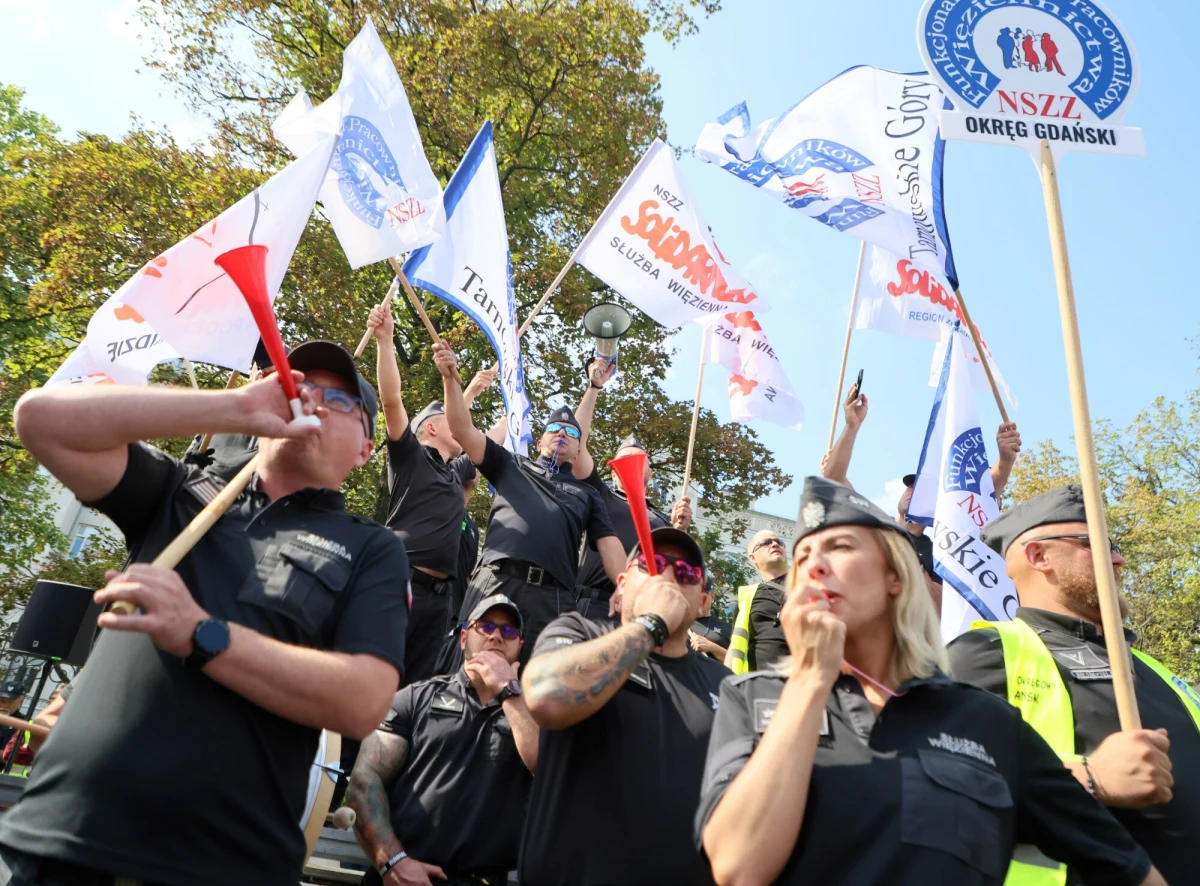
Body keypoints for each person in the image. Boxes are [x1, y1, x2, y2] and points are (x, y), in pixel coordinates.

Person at [4, 340, 410, 886]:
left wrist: (200, 634)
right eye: (297, 386)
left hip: (219, 863)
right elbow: (39, 418)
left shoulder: (373, 549)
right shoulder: (178, 492)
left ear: (366, 448)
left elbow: (363, 701)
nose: (310, 400)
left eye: (338, 399)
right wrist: (236, 407)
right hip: (60, 840)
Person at [696, 477, 1166, 886]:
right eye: (804, 558)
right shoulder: (752, 697)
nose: (814, 567)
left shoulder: (986, 720)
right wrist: (810, 680)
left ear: (895, 577)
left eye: (840, 547)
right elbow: (739, 868)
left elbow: (1127, 867)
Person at [949, 484, 1199, 886]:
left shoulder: (1154, 668)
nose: (1118, 559)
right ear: (1039, 556)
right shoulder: (987, 652)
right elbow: (938, 784)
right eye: (1094, 543)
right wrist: (1091, 776)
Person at [520, 526, 727, 886]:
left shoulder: (726, 686)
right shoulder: (578, 632)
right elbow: (545, 698)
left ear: (704, 603)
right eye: (651, 562)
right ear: (622, 584)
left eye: (687, 573)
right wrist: (652, 624)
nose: (667, 575)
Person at [434, 342, 626, 662]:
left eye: (570, 431)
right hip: (494, 581)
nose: (561, 433)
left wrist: (623, 585)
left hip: (551, 599)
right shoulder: (510, 463)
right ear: (540, 440)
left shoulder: (588, 494)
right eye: (553, 428)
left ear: (580, 451)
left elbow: (608, 545)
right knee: (467, 672)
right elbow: (461, 428)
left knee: (537, 686)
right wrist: (450, 380)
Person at [347, 595, 537, 886]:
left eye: (509, 632)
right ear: (463, 638)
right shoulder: (415, 697)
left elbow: (549, 769)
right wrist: (392, 861)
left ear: (520, 647)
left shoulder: (535, 715)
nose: (497, 636)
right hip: (399, 875)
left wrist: (507, 689)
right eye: (485, 627)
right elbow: (364, 780)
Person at [370, 299, 499, 685]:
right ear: (429, 428)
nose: (460, 421)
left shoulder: (455, 472)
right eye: (447, 417)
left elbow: (481, 438)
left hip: (440, 599)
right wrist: (385, 341)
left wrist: (512, 395)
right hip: (400, 583)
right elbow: (392, 400)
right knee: (375, 675)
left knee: (415, 687)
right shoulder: (409, 456)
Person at [821, 385, 1021, 605]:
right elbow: (834, 479)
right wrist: (851, 425)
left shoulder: (943, 553)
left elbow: (945, 606)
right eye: (909, 486)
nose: (911, 490)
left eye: (921, 488)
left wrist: (1005, 461)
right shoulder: (875, 524)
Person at [571, 382, 693, 618]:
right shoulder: (600, 496)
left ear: (650, 472)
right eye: (624, 462)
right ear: (614, 472)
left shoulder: (661, 518)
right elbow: (577, 446)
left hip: (641, 609)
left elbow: (670, 565)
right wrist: (594, 387)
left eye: (640, 461)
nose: (632, 466)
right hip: (594, 606)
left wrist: (678, 530)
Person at [726, 529, 790, 674]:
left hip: (802, 684)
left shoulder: (806, 584)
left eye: (779, 542)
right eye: (766, 542)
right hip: (758, 688)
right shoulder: (747, 596)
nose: (774, 544)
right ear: (753, 557)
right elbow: (735, 648)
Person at [690, 579, 733, 662]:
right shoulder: (677, 625)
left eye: (703, 597)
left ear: (712, 596)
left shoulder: (728, 629)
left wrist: (713, 648)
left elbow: (738, 664)